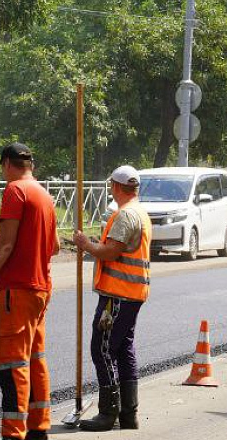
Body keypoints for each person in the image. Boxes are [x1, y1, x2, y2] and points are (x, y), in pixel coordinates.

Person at [0, 142, 58, 440]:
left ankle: (13, 433)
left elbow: (5, 245)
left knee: (11, 363)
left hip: (18, 290)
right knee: (34, 358)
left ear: (8, 163)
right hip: (41, 288)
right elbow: (55, 246)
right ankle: (39, 427)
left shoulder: (15, 191)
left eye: (2, 167)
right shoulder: (44, 194)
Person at [72, 165, 151, 432]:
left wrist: (86, 244)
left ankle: (108, 413)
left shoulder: (126, 215)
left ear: (116, 187)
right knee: (123, 349)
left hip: (117, 297)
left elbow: (110, 252)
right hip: (132, 295)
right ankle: (129, 414)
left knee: (103, 349)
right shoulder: (140, 212)